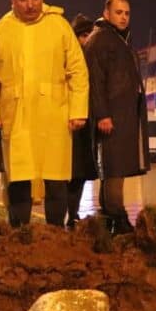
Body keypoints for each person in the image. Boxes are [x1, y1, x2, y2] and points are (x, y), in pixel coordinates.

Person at [0, 0, 89, 227]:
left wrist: (78, 110)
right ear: (13, 0)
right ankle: (20, 233)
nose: (30, 4)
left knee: (55, 177)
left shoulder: (59, 26)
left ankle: (55, 232)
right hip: (16, 114)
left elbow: (77, 70)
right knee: (18, 177)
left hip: (55, 114)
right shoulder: (2, 30)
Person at [84, 0, 153, 233]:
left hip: (122, 116)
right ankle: (117, 218)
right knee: (113, 168)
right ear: (106, 12)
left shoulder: (120, 40)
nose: (123, 17)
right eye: (119, 12)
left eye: (127, 13)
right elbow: (95, 80)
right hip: (111, 116)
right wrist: (102, 114)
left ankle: (110, 219)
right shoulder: (100, 40)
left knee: (117, 167)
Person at [67, 13, 98, 228]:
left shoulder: (94, 58)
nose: (86, 39)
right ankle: (67, 214)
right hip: (69, 123)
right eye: (82, 35)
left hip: (87, 125)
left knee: (81, 174)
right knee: (67, 173)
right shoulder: (67, 57)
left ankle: (74, 213)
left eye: (89, 35)